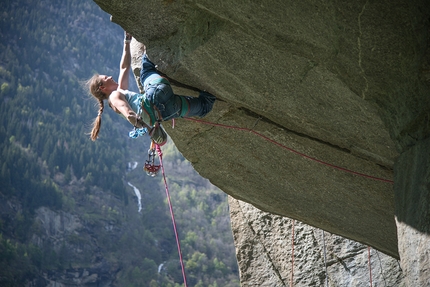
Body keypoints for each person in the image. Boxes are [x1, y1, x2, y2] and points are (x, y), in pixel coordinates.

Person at [86, 32, 216, 143]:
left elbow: (124, 67)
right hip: (155, 93)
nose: (109, 76)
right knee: (146, 69)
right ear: (102, 88)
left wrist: (127, 42)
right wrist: (149, 130)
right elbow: (129, 114)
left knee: (204, 107)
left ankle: (213, 84)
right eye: (105, 78)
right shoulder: (114, 97)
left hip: (168, 111)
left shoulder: (119, 92)